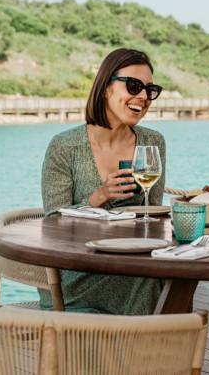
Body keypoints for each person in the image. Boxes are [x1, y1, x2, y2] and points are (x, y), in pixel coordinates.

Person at [40, 47, 166, 315]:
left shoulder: (152, 142)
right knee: (155, 279)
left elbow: (154, 215)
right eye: (134, 86)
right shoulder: (65, 146)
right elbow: (53, 223)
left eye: (150, 90)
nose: (144, 97)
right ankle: (151, 340)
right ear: (106, 87)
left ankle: (149, 340)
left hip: (135, 260)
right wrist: (100, 196)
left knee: (174, 276)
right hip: (77, 271)